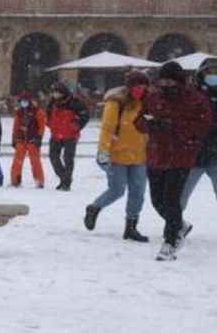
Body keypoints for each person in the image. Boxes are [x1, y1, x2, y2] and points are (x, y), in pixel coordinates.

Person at [137, 61, 212, 261]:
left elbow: (202, 126)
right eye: (163, 79)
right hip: (156, 155)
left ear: (179, 80)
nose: (165, 83)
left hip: (181, 156)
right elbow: (139, 121)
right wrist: (148, 124)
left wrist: (172, 126)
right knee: (157, 200)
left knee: (172, 200)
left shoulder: (195, 99)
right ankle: (180, 225)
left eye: (170, 80)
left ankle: (170, 241)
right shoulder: (153, 98)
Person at [86, 70, 150, 242]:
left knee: (138, 193)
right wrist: (103, 151)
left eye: (143, 86)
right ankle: (94, 208)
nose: (140, 89)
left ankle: (131, 226)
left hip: (140, 155)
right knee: (117, 190)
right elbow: (107, 128)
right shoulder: (116, 102)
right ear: (129, 87)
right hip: (117, 154)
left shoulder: (147, 103)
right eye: (137, 86)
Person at [179, 57, 217, 211]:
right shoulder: (192, 94)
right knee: (182, 194)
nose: (213, 74)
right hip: (195, 153)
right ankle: (175, 226)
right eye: (209, 71)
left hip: (215, 153)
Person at [45, 82, 90, 191]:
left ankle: (66, 181)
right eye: (53, 92)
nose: (54, 95)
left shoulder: (75, 102)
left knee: (68, 159)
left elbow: (85, 115)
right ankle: (64, 178)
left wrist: (76, 126)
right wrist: (50, 124)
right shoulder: (52, 102)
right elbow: (48, 114)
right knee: (53, 157)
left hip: (70, 135)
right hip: (55, 134)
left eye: (56, 92)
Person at [9, 90, 46, 188]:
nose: (23, 102)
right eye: (22, 100)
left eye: (25, 100)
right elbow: (16, 126)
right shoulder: (19, 112)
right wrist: (14, 138)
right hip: (21, 139)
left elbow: (42, 126)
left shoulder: (37, 111)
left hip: (32, 139)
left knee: (35, 161)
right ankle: (15, 180)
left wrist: (39, 137)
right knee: (17, 161)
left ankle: (39, 180)